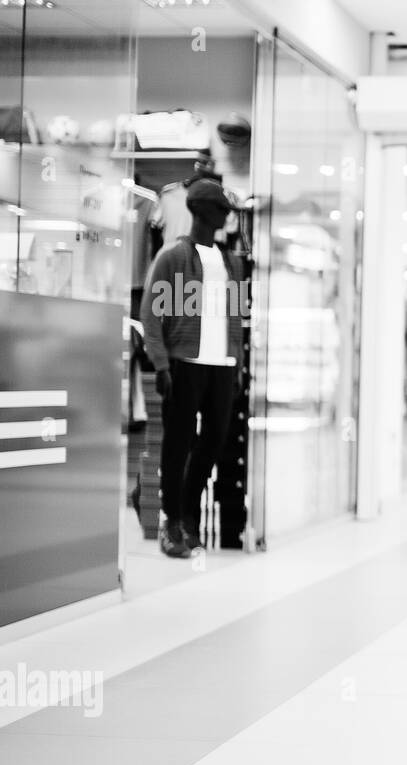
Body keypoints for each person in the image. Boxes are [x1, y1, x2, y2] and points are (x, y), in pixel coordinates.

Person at [140, 177, 245, 558]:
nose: (225, 217)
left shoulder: (232, 262)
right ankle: (172, 521)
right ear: (202, 211)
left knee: (213, 441)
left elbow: (236, 316)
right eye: (220, 210)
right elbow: (151, 314)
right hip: (184, 363)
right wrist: (162, 364)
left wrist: (238, 363)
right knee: (177, 443)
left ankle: (188, 513)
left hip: (222, 366)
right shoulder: (172, 256)